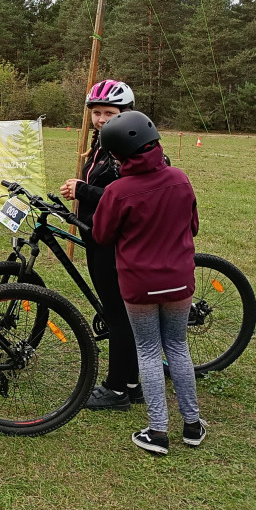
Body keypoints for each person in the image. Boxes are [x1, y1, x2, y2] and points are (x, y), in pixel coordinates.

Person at [92, 110, 205, 456]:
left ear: (117, 155)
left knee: (148, 352)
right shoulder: (180, 179)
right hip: (179, 281)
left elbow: (101, 235)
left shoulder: (117, 191)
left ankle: (158, 431)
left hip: (139, 285)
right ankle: (192, 425)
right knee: (178, 346)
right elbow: (194, 226)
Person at [59, 79, 141, 411]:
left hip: (115, 241)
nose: (102, 119)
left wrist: (84, 191)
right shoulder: (101, 144)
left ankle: (117, 389)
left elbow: (128, 196)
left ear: (126, 112)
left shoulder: (127, 148)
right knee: (120, 313)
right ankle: (133, 383)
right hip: (97, 234)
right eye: (96, 113)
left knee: (118, 314)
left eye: (109, 112)